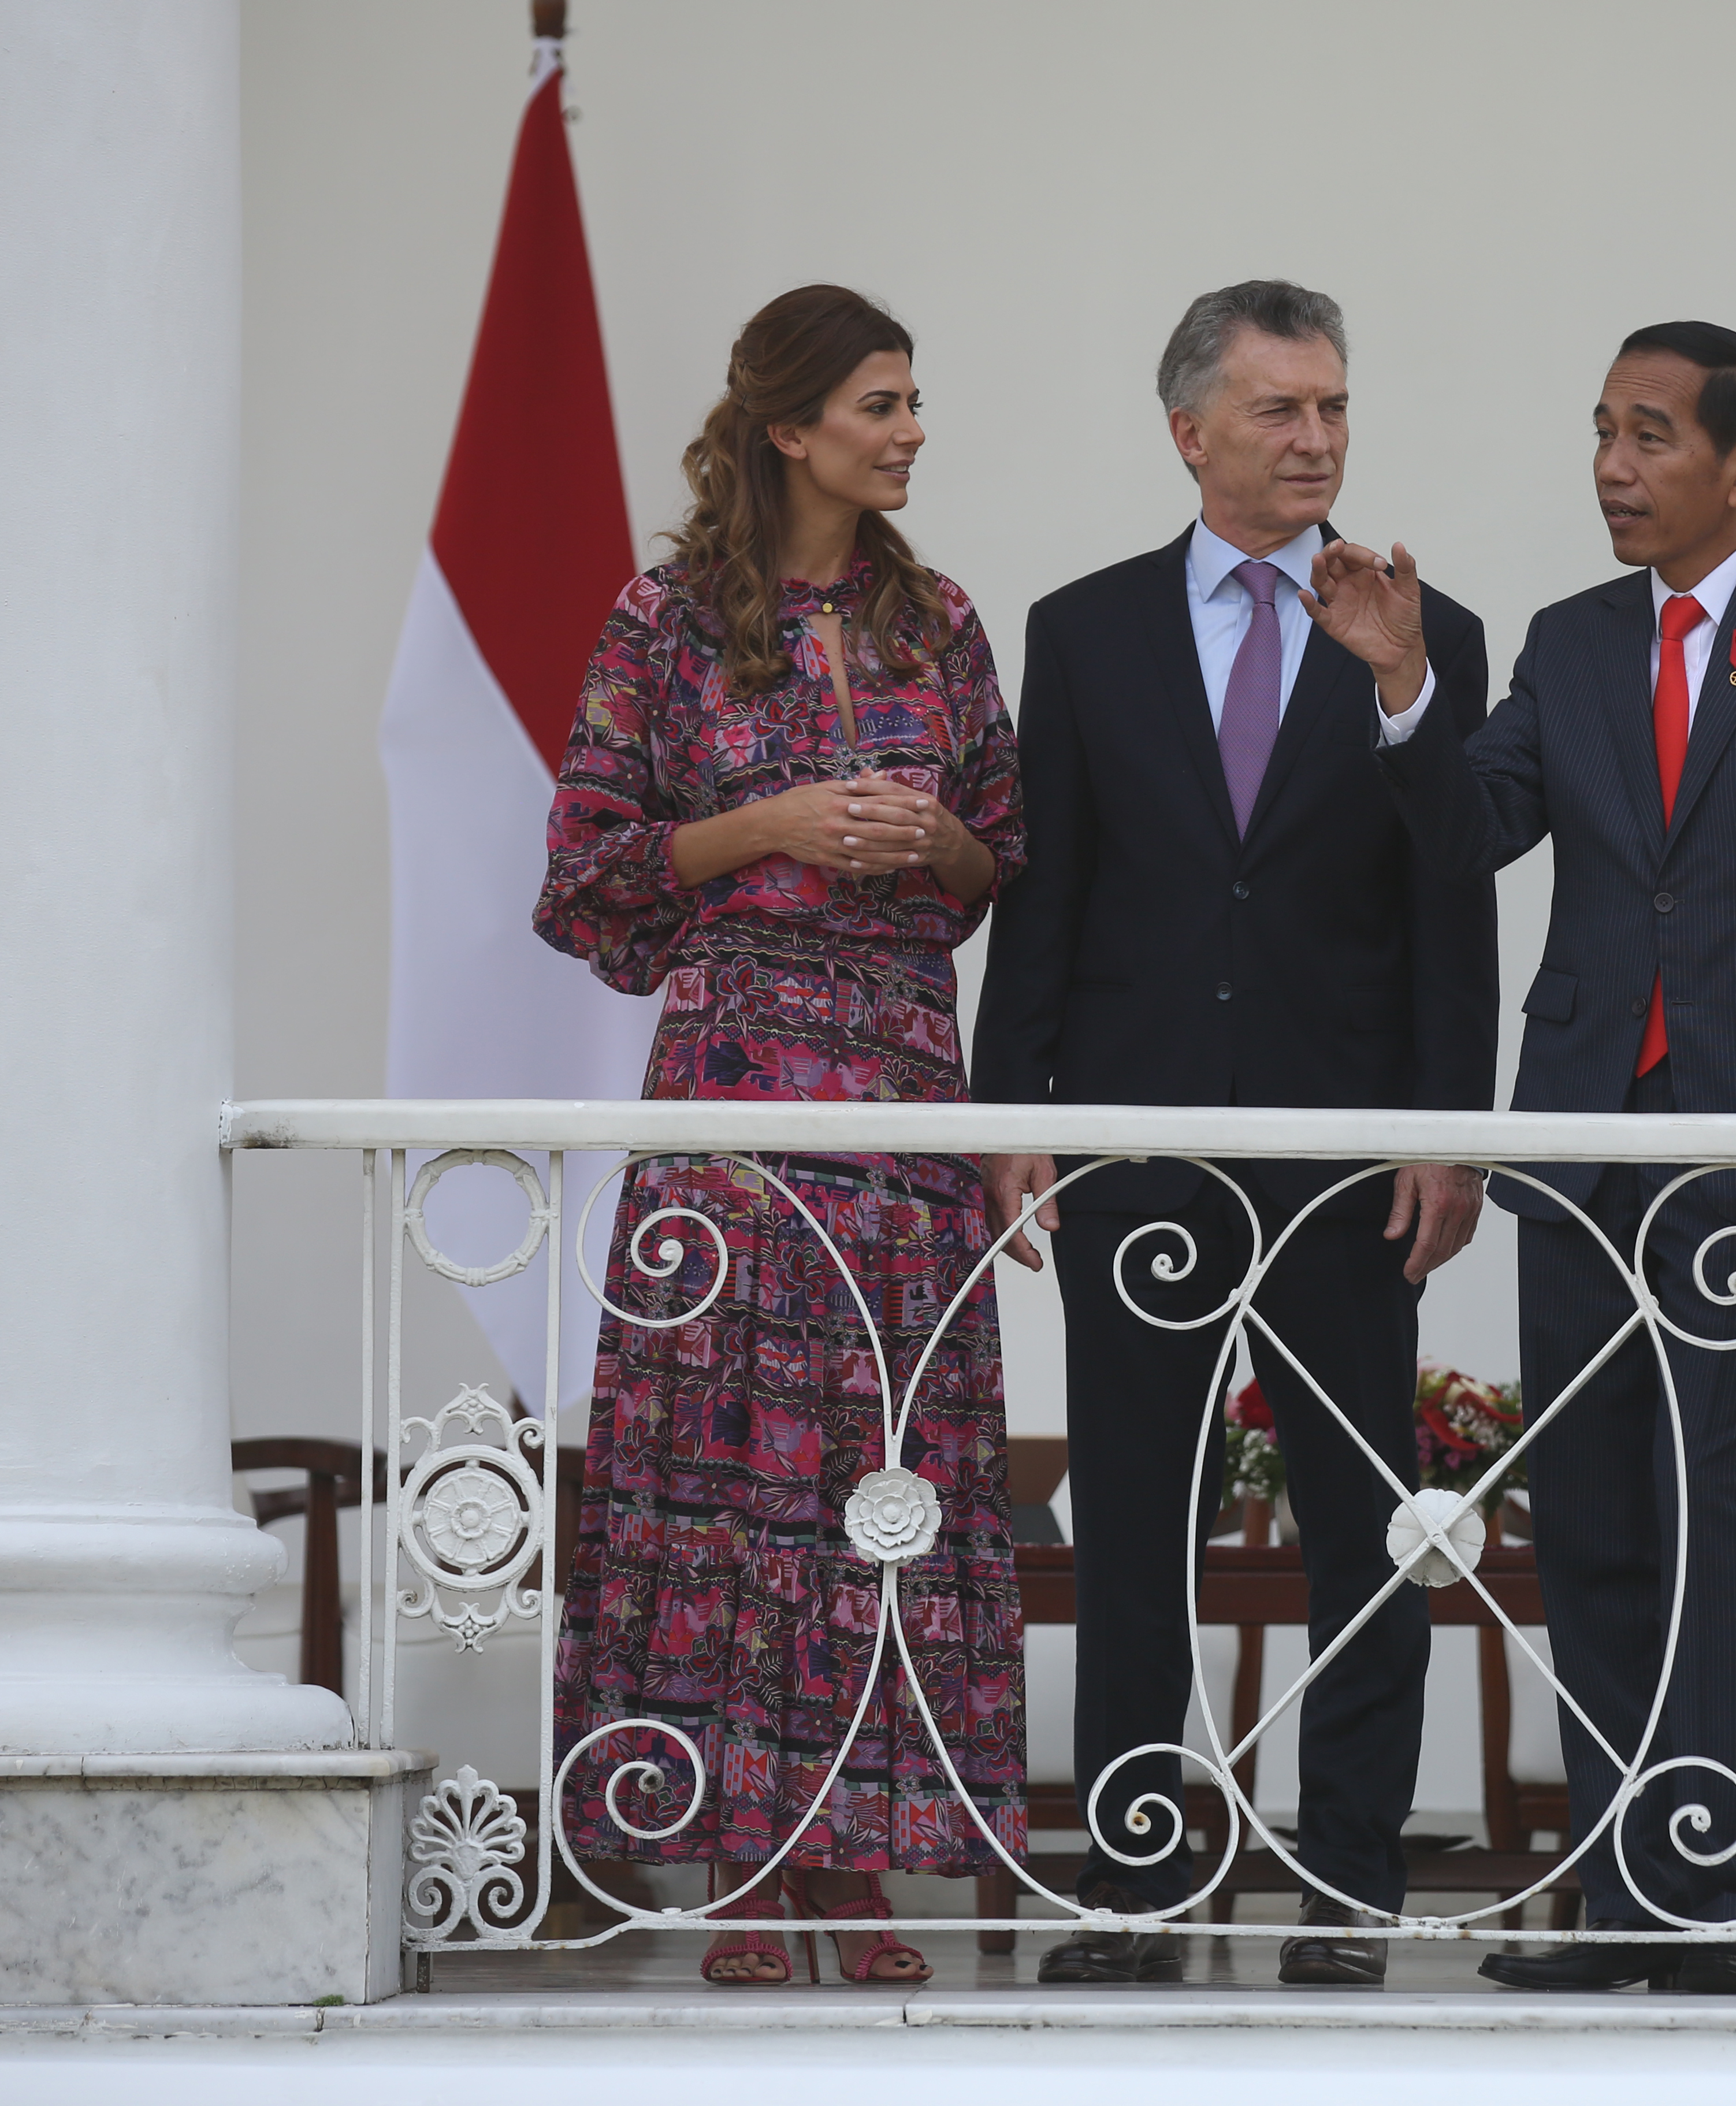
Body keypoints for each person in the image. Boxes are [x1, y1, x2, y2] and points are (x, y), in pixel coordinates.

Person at [1308, 322, 1736, 1994]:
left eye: (1649, 435)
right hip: (1589, 1133)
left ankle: (1733, 1889)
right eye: (1600, 429)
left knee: (1711, 1492)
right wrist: (1401, 684)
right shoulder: (1570, 640)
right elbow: (1473, 833)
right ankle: (1618, 1896)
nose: (1611, 464)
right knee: (1590, 1508)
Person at [970, 280, 1497, 1986]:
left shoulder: (1427, 633)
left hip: (1349, 1153)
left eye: (1334, 408)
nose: (1317, 440)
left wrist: (1447, 1132)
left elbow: (1454, 905)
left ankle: (1346, 1887)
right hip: (1137, 1145)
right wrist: (1010, 1113)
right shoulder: (1086, 626)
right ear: (1188, 428)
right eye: (1279, 409)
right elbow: (1046, 901)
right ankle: (1130, 1884)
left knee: (1365, 1522)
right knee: (1135, 1517)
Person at [535, 285, 1028, 1988]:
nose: (908, 431)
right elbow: (585, 876)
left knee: (884, 1476)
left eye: (914, 402)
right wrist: (770, 823)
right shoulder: (663, 621)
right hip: (737, 1091)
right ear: (789, 428)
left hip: (901, 1083)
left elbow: (1006, 872)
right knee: (736, 1471)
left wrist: (933, 842)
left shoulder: (943, 620)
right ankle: (744, 1859)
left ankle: (861, 1863)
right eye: (880, 404)